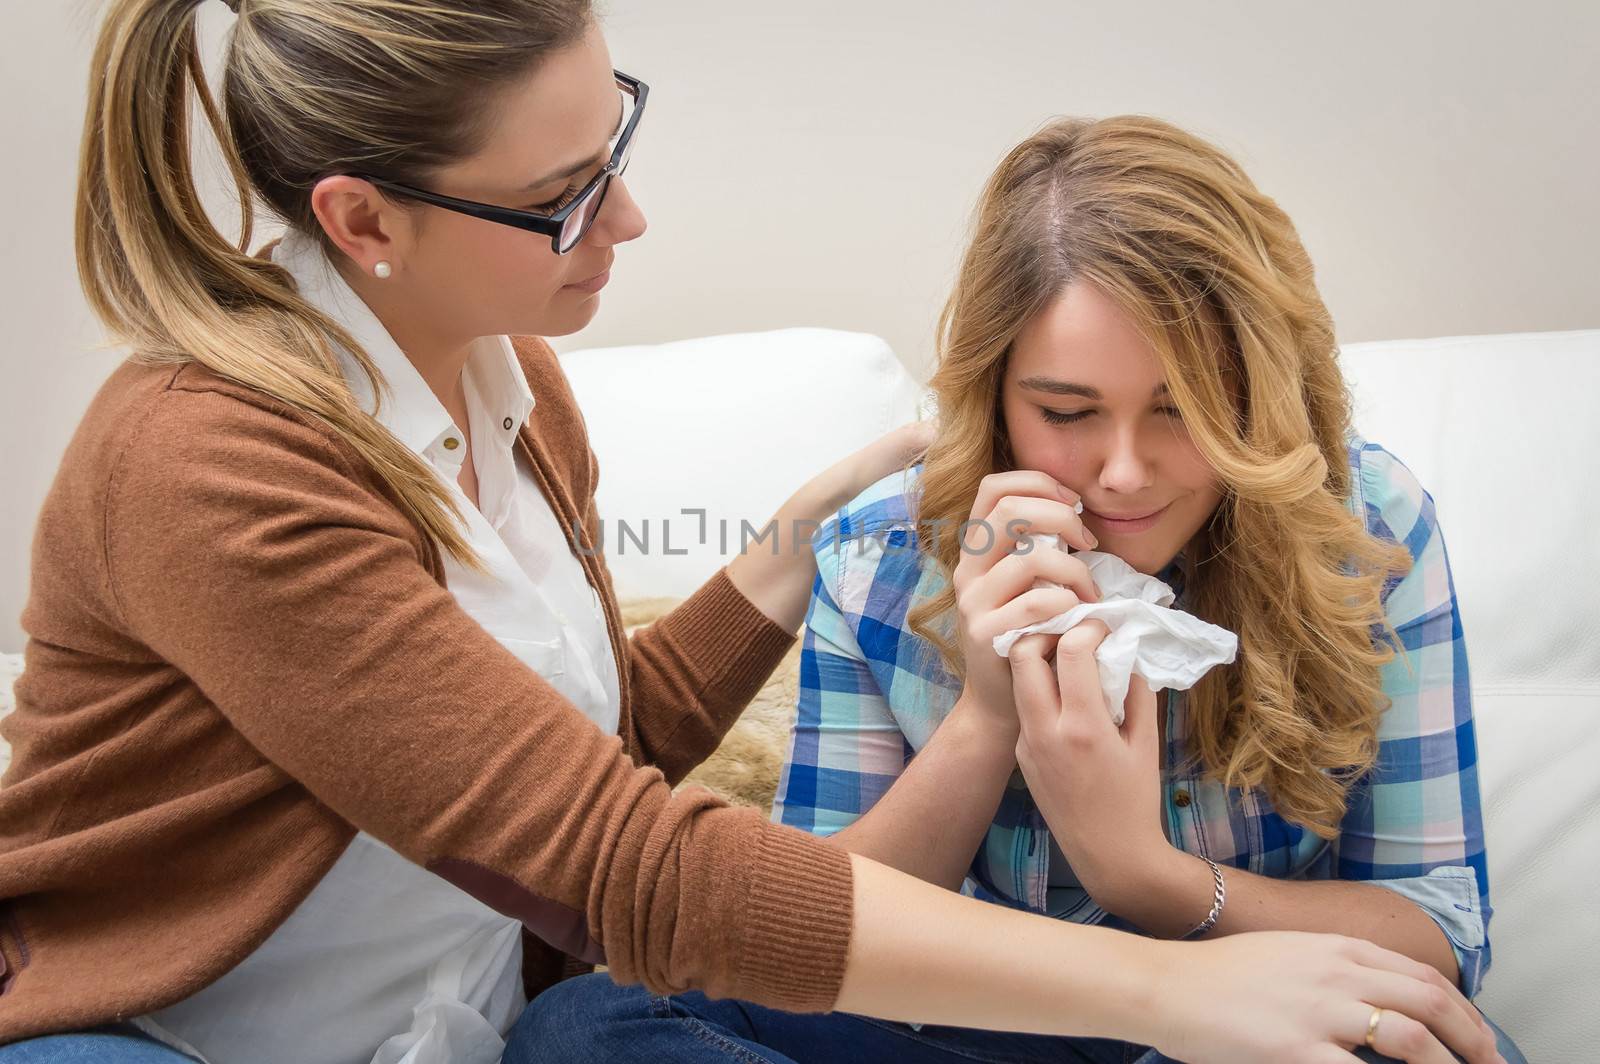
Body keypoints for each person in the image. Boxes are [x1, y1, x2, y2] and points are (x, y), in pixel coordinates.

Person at [0, 0, 1506, 1060]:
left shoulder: (510, 388)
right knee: (595, 1030)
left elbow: (565, 757)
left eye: (617, 143)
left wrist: (784, 558)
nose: (632, 221)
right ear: (364, 222)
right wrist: (1159, 975)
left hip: (451, 1020)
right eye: (569, 196)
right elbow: (627, 865)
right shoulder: (210, 466)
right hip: (170, 1030)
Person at [524, 116, 1525, 1063]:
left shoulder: (1361, 522)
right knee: (586, 1023)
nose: (1124, 471)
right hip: (984, 1018)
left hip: (1263, 1010)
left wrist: (1148, 874)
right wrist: (984, 713)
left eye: (1183, 410)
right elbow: (806, 939)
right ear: (993, 393)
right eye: (1068, 410)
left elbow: (1432, 928)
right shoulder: (885, 552)